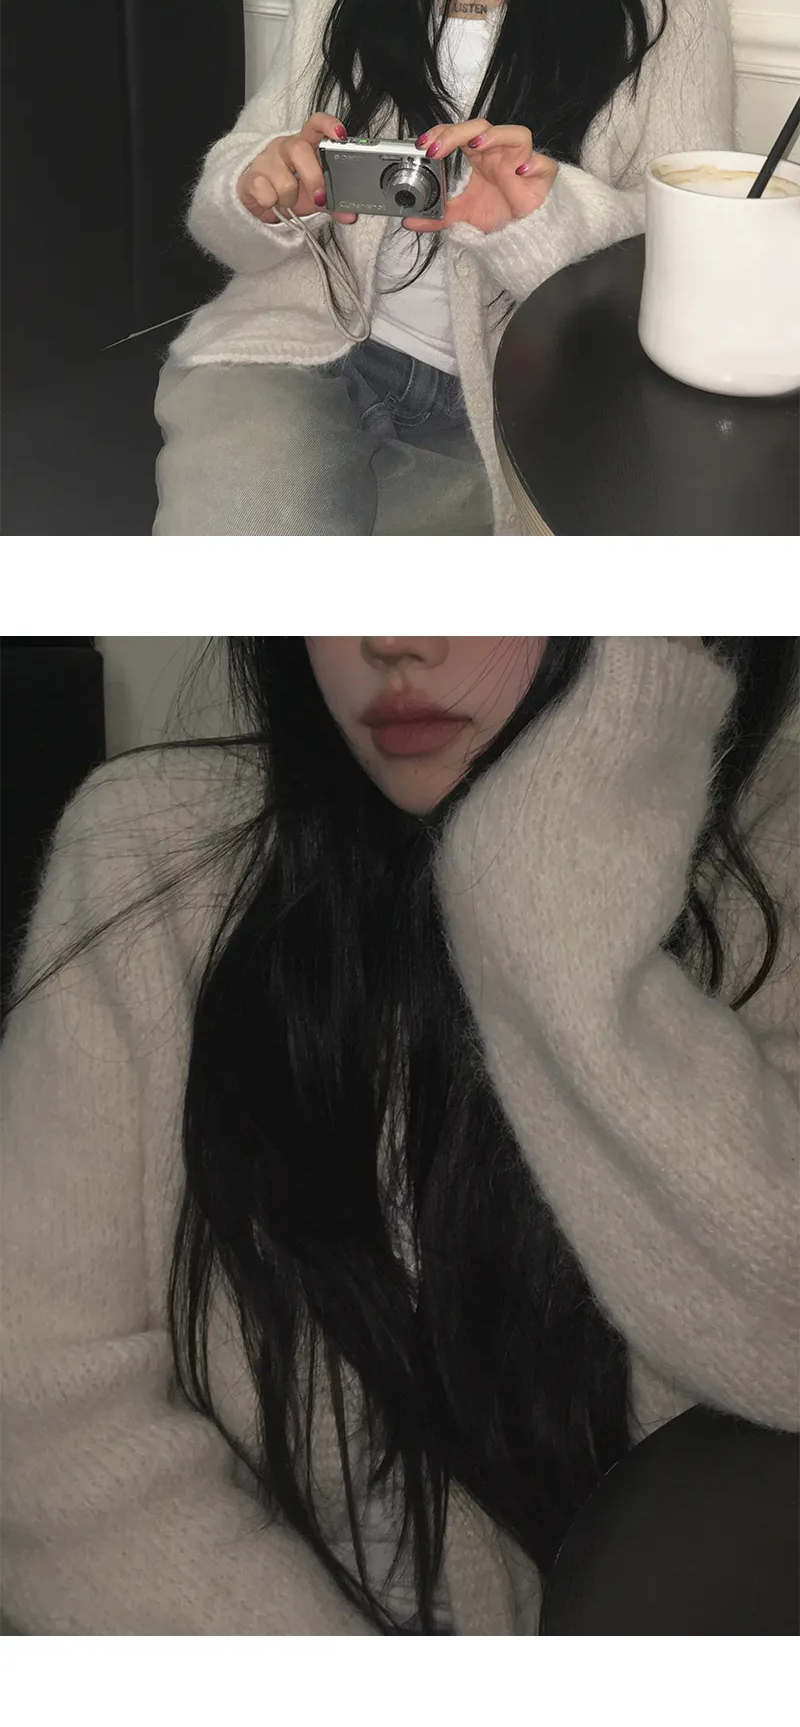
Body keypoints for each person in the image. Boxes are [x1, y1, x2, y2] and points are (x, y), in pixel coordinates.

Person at [1, 634, 796, 1637]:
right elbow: (39, 1412)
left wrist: (560, 910)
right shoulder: (155, 850)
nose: (392, 636)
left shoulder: (774, 845)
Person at [154, 0, 731, 537]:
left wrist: (539, 214)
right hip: (300, 355)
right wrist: (262, 188)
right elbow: (227, 200)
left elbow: (686, 244)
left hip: (511, 401)